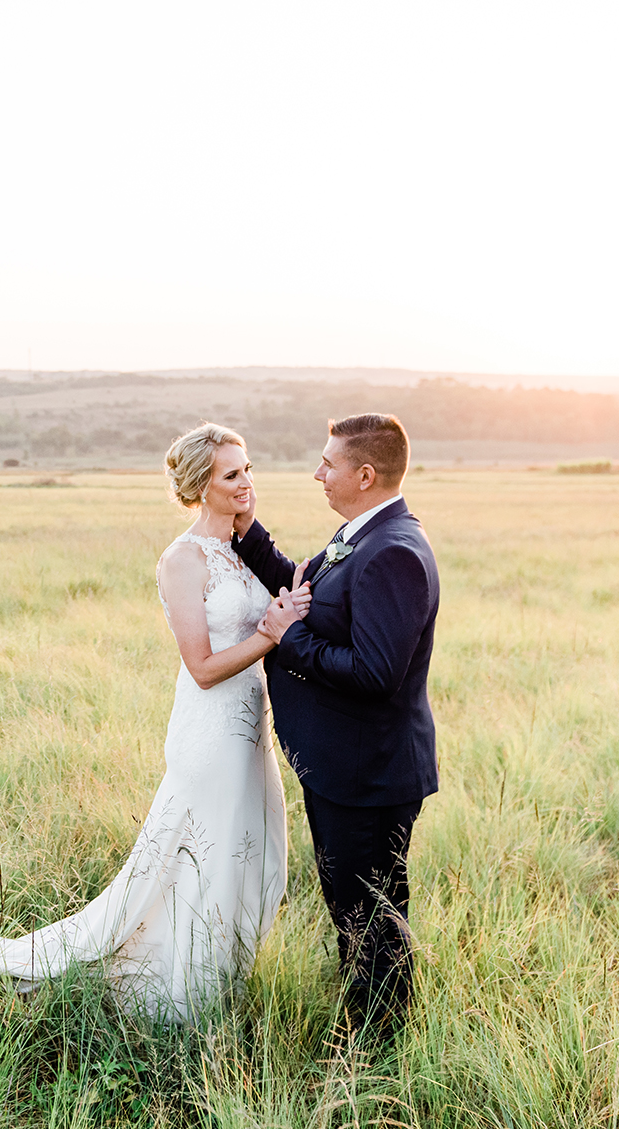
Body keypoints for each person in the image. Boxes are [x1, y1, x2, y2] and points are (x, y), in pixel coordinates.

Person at [0, 424, 298, 1021]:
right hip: (211, 730)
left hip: (251, 733)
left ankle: (218, 980)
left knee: (244, 855)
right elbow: (200, 667)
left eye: (248, 468)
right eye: (232, 474)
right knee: (197, 856)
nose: (247, 482)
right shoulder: (182, 559)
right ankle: (179, 990)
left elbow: (287, 589)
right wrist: (267, 634)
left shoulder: (245, 548)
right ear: (202, 485)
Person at [233, 413, 439, 1039]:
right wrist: (246, 533)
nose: (318, 472)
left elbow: (375, 673)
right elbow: (307, 589)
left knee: (370, 918)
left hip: (367, 772)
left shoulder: (393, 554)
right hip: (348, 766)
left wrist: (285, 641)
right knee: (358, 912)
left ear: (366, 475)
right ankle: (372, 1029)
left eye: (329, 462)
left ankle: (376, 1049)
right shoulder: (365, 536)